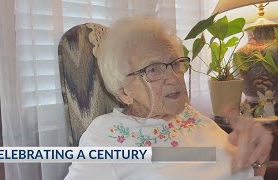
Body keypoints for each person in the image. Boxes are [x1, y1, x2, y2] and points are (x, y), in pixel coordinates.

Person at [64, 16, 273, 180]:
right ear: (124, 92)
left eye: (175, 64)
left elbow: (243, 170)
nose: (174, 78)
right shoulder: (105, 137)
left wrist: (256, 158)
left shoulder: (191, 116)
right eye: (153, 70)